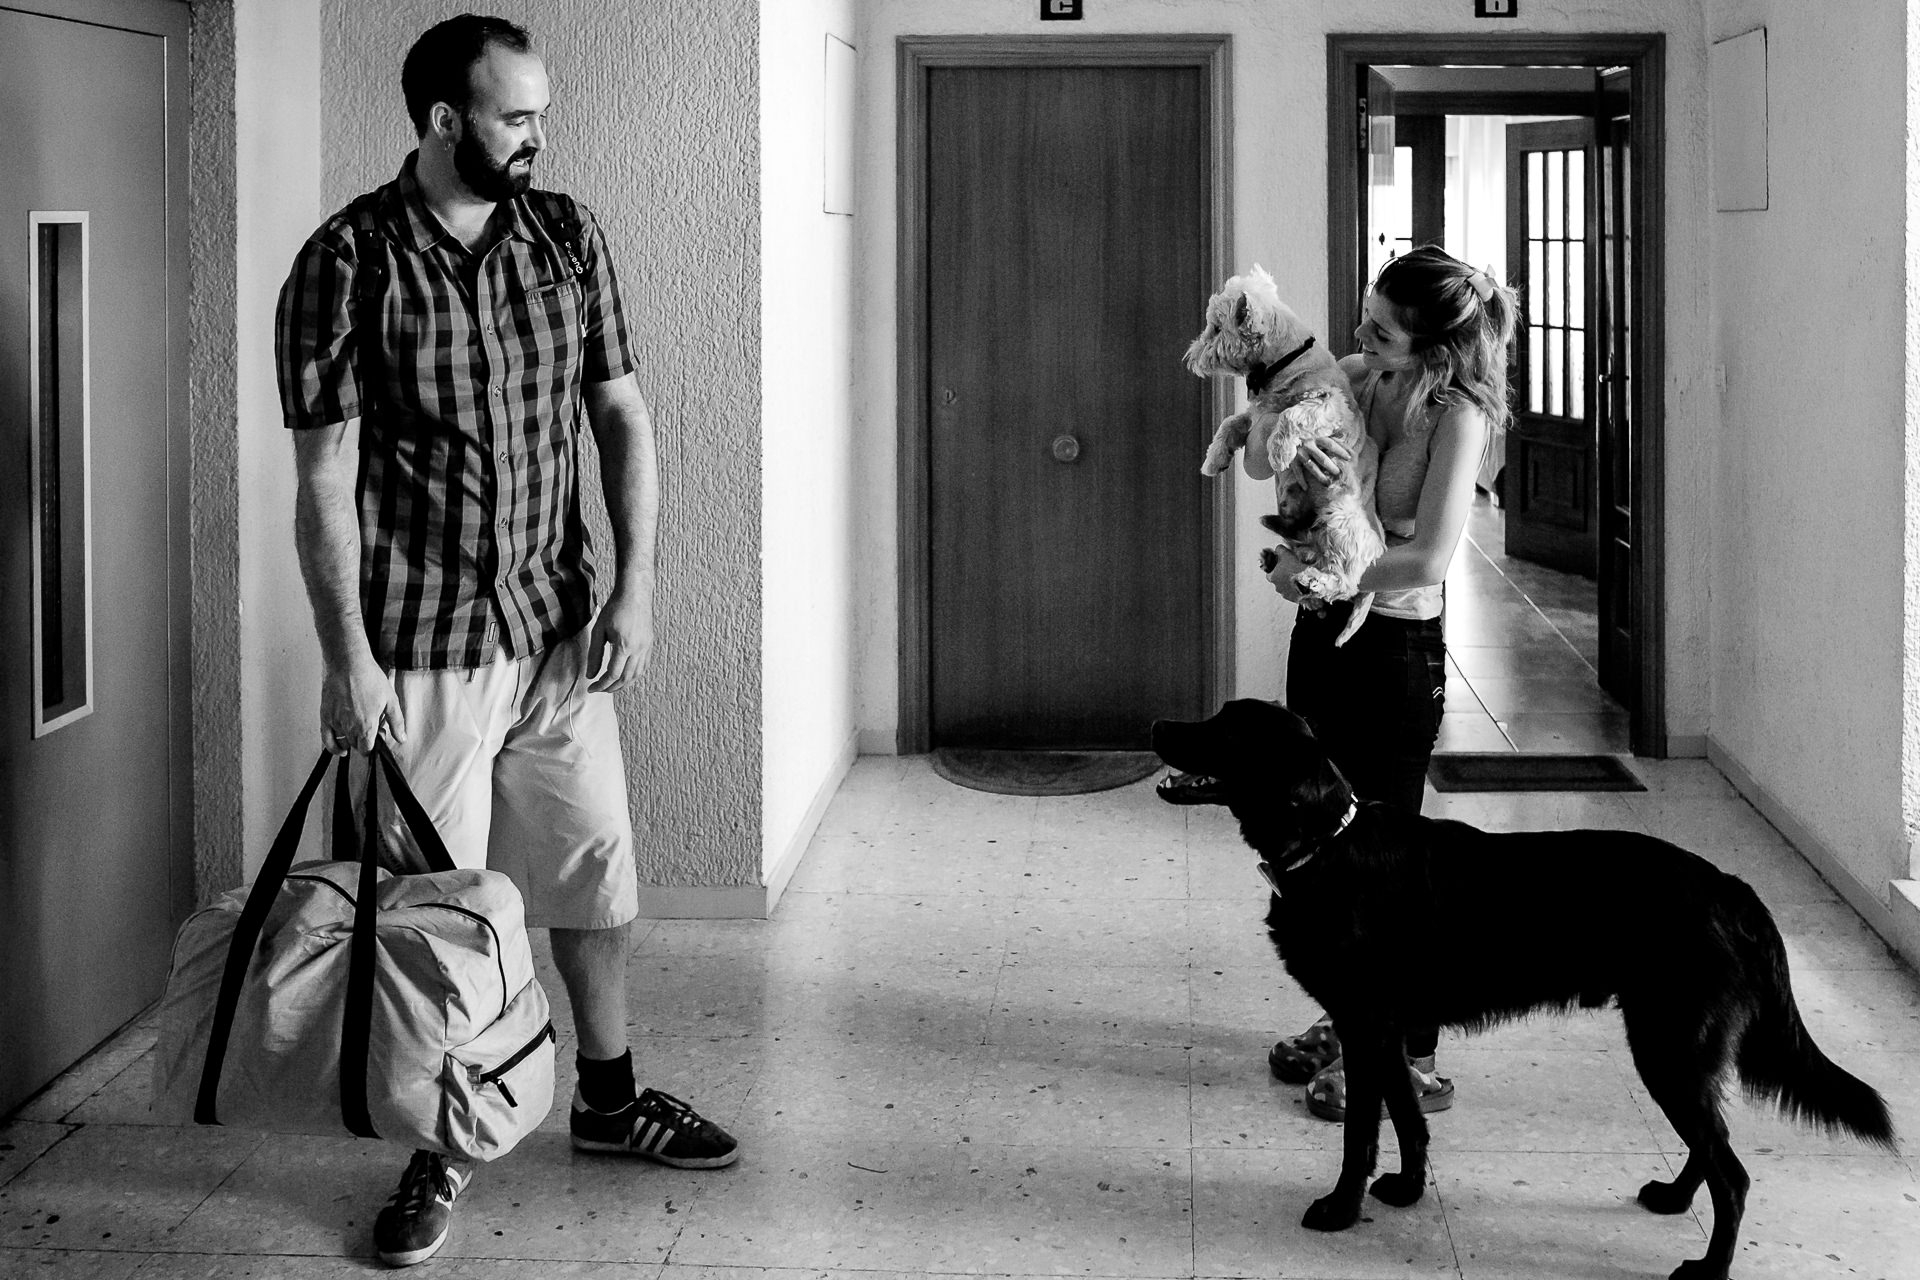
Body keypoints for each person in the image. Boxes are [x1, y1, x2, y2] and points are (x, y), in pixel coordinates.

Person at [277, 15, 737, 1268]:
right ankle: (440, 1146)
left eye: (542, 113)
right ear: (440, 121)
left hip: (556, 632)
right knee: (440, 917)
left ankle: (606, 1096)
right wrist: (346, 656)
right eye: (515, 117)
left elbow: (623, 416)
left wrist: (634, 586)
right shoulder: (347, 262)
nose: (539, 135)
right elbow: (323, 482)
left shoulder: (565, 233)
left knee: (594, 875)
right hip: (418, 647)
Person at [1250, 246, 1519, 1121]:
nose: (1358, 336)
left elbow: (1428, 557)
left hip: (1398, 647)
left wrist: (1316, 578)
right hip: (1322, 631)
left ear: (1436, 349)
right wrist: (1299, 508)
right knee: (1324, 851)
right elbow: (1275, 468)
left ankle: (1414, 1055)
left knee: (1391, 861)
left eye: (1379, 328)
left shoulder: (1461, 418)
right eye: (1364, 317)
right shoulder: (1358, 377)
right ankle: (1347, 1018)